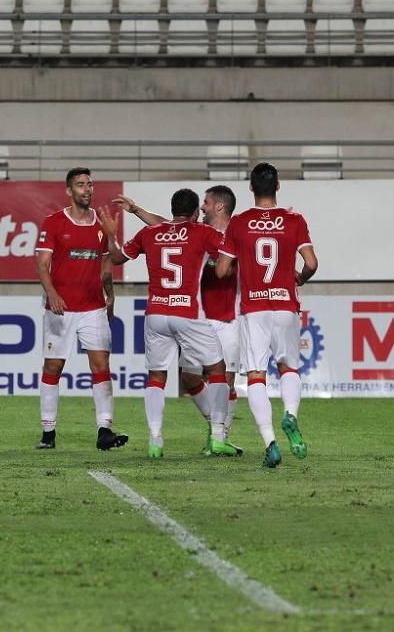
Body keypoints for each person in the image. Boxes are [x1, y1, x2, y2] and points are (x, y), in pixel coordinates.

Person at [98, 188, 234, 459]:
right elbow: (231, 247)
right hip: (188, 312)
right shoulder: (202, 232)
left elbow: (115, 258)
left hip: (156, 313)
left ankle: (155, 440)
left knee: (157, 377)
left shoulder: (150, 233)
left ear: (173, 209)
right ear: (196, 213)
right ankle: (218, 436)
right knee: (218, 370)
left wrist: (112, 234)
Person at [215, 162, 318, 468]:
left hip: (254, 308)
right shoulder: (294, 220)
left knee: (256, 375)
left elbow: (222, 270)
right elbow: (311, 263)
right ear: (278, 186)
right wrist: (299, 277)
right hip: (285, 305)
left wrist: (236, 262)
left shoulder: (240, 222)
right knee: (288, 367)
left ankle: (270, 442)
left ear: (250, 188)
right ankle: (291, 414)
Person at [34, 167, 128, 451]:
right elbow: (41, 264)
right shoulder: (53, 223)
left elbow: (112, 262)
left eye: (90, 184)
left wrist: (111, 296)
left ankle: (104, 430)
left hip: (93, 307)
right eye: (81, 185)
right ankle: (48, 432)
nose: (87, 189)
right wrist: (51, 293)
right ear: (69, 190)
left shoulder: (103, 224)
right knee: (54, 367)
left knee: (101, 365)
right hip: (60, 308)